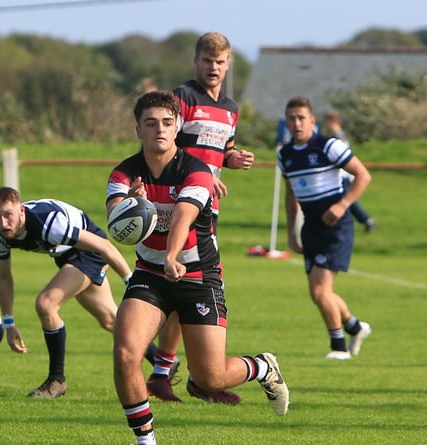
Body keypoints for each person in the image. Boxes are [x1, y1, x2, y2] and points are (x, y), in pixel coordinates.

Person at [108, 91, 289, 445]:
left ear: (177, 127)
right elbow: (117, 219)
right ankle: (146, 441)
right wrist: (130, 202)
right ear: (137, 130)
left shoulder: (197, 171)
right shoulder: (124, 172)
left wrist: (173, 254)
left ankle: (263, 366)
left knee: (210, 379)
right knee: (126, 353)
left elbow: (183, 216)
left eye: (166, 123)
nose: (159, 130)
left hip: (197, 277)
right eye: (150, 124)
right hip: (149, 275)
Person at [146, 31, 253, 404]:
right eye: (207, 61)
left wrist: (230, 160)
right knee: (188, 287)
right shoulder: (183, 97)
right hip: (180, 204)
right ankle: (184, 374)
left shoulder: (231, 107)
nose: (214, 67)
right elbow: (167, 145)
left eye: (220, 62)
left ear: (228, 65)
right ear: (197, 62)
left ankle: (178, 374)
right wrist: (202, 176)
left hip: (208, 209)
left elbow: (223, 148)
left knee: (190, 289)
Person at [0, 186, 154, 398]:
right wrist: (9, 323)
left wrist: (131, 282)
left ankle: (57, 380)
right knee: (110, 320)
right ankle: (163, 362)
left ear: (21, 210)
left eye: (8, 214)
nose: (3, 223)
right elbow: (3, 277)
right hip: (67, 256)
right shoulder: (0, 237)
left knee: (46, 304)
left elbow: (104, 246)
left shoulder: (48, 223)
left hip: (89, 252)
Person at [278, 96, 373, 360]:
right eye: (291, 118)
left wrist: (343, 205)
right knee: (320, 292)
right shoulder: (284, 154)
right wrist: (291, 233)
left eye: (301, 118)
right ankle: (355, 327)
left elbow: (363, 175)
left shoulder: (328, 146)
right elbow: (290, 196)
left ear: (312, 121)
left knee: (320, 291)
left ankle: (339, 348)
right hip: (310, 227)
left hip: (336, 227)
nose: (296, 123)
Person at [322, 110, 377, 232]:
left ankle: (367, 220)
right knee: (346, 200)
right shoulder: (340, 134)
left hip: (342, 175)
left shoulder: (336, 137)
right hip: (344, 174)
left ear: (331, 121)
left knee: (347, 200)